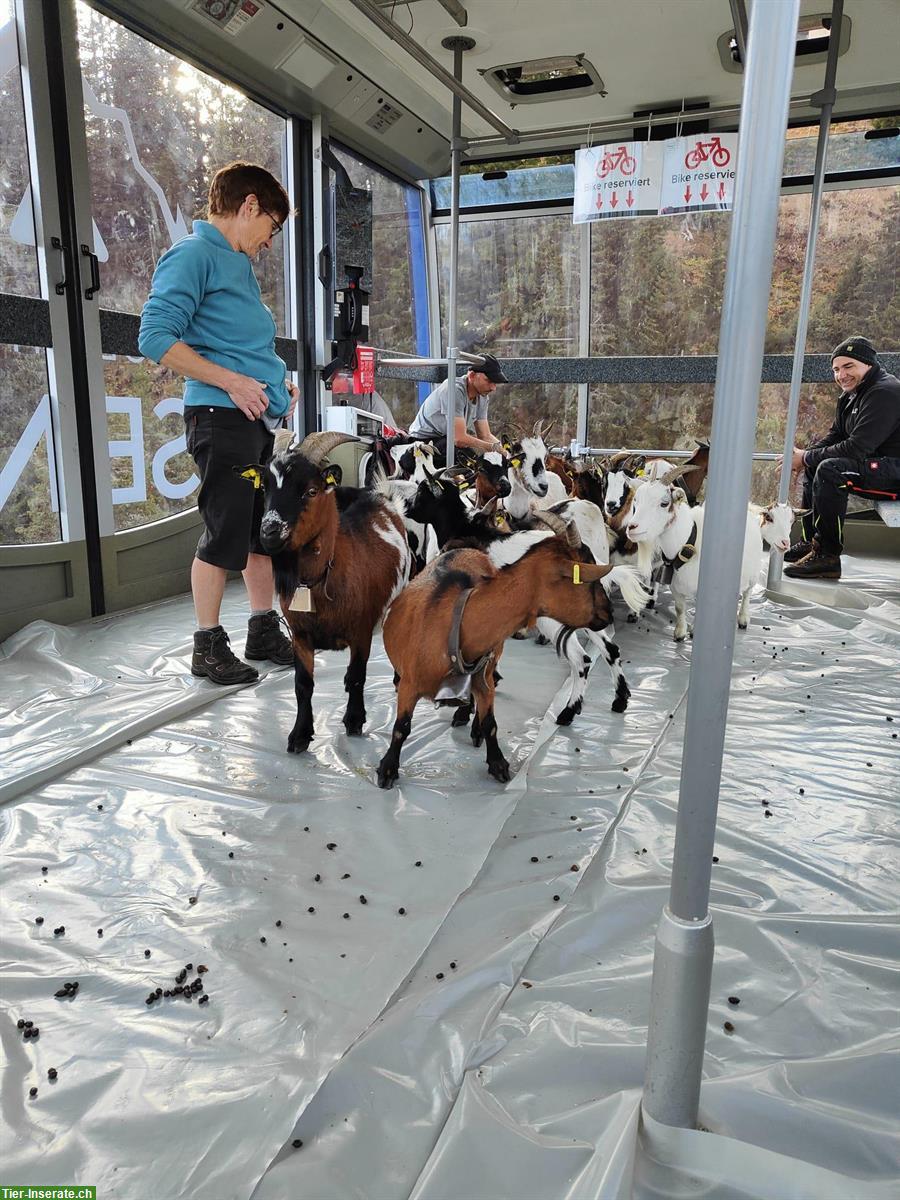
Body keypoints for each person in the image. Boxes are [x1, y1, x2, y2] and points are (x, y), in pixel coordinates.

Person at [138, 161, 299, 684]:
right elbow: (154, 338)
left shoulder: (237, 265)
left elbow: (240, 345)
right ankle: (206, 646)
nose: (269, 241)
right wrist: (232, 382)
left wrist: (276, 386)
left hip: (251, 418)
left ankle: (261, 628)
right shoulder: (193, 255)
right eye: (271, 227)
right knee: (224, 532)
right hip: (219, 416)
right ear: (248, 205)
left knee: (258, 533)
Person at [778, 336, 900, 580]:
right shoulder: (850, 395)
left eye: (848, 366)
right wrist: (803, 457)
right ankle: (811, 542)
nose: (841, 375)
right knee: (816, 465)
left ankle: (827, 556)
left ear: (868, 364)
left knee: (831, 470)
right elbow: (835, 436)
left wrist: (806, 458)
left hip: (894, 471)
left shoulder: (885, 392)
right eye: (836, 369)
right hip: (876, 466)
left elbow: (856, 448)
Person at [408, 353, 508, 453]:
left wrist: (507, 453)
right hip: (421, 441)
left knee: (474, 459)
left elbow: (485, 435)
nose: (493, 388)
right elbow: (459, 439)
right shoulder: (454, 390)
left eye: (495, 383)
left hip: (445, 439)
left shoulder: (482, 395)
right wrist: (495, 449)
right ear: (472, 375)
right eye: (489, 381)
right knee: (468, 459)